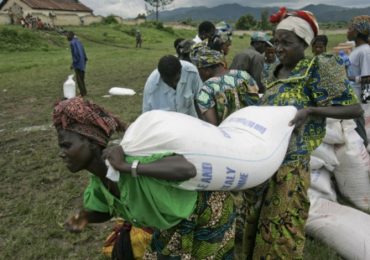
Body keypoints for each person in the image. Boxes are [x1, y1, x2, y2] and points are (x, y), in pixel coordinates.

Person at [235, 8, 363, 259]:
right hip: (263, 162)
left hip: (290, 168)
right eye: (277, 41)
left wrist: (311, 110)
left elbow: (354, 108)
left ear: (305, 43)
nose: (279, 48)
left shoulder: (318, 68)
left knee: (282, 229)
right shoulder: (272, 70)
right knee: (255, 223)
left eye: (287, 42)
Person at [53, 97, 235, 259]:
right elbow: (107, 209)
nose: (61, 154)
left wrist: (129, 167)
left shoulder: (129, 158)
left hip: (207, 212)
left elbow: (187, 169)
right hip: (172, 223)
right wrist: (84, 217)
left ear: (92, 142)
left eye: (67, 145)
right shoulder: (99, 181)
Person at [191, 42, 259, 125]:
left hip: (228, 134)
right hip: (253, 128)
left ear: (206, 71)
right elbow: (257, 101)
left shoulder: (207, 89)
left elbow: (212, 125)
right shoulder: (243, 75)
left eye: (199, 71)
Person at [347, 15, 370, 146]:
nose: (347, 31)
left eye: (350, 28)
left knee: (361, 134)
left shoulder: (365, 51)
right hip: (353, 100)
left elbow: (368, 79)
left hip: (359, 103)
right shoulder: (358, 50)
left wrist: (365, 107)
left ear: (357, 32)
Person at [67, 31, 88, 96]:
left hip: (78, 63)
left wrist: (73, 64)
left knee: (79, 79)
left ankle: (82, 93)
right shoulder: (78, 41)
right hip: (82, 62)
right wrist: (85, 59)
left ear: (70, 36)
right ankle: (84, 91)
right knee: (81, 78)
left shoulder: (72, 43)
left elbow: (76, 54)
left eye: (67, 35)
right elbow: (83, 51)